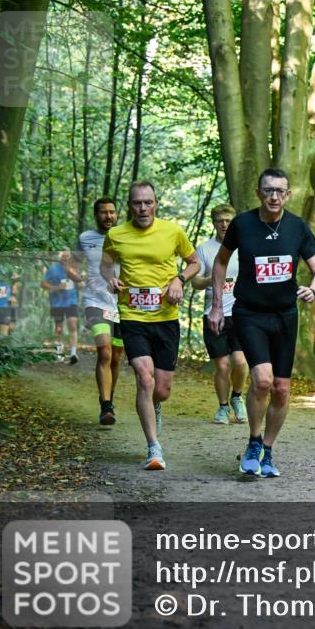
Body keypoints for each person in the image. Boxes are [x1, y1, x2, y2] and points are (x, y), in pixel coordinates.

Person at [209, 168, 315, 478]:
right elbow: (220, 262)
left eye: (280, 191)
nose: (274, 196)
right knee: (262, 380)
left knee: (282, 389)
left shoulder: (297, 227)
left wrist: (313, 289)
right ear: (259, 193)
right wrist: (217, 307)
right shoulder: (243, 224)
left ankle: (268, 451)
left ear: (288, 195)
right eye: (268, 190)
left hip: (285, 316)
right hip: (250, 313)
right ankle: (254, 442)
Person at [101, 181, 199, 470]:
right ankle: (154, 448)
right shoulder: (116, 234)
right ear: (129, 206)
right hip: (133, 316)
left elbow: (194, 263)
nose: (143, 208)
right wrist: (110, 277)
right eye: (137, 203)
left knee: (161, 389)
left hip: (165, 317)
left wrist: (179, 280)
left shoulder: (173, 231)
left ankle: (155, 405)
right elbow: (106, 264)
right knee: (145, 378)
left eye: (148, 202)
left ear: (156, 203)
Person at [192, 203, 248, 425]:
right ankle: (223, 407)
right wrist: (213, 279)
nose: (224, 224)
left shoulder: (244, 246)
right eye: (220, 221)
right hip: (214, 314)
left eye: (228, 220)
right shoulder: (204, 249)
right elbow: (195, 282)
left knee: (240, 362)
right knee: (222, 365)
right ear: (213, 223)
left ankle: (237, 397)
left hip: (241, 313)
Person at [76, 197, 124, 425]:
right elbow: (72, 264)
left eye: (112, 212)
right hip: (95, 302)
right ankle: (106, 406)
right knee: (104, 351)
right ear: (96, 215)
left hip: (122, 305)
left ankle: (108, 398)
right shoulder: (85, 238)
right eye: (104, 212)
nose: (109, 216)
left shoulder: (125, 236)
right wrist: (78, 279)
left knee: (116, 357)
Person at [42, 250, 82, 363]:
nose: (65, 258)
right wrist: (56, 287)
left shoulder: (74, 269)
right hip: (57, 303)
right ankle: (59, 353)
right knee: (58, 328)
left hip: (71, 301)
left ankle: (73, 353)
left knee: (72, 324)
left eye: (67, 256)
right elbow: (43, 283)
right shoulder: (53, 269)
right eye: (63, 256)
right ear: (60, 257)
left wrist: (80, 283)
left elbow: (80, 281)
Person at [0, 269, 19, 336]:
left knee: (4, 334)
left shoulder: (9, 276)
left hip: (5, 308)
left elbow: (16, 277)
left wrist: (13, 319)